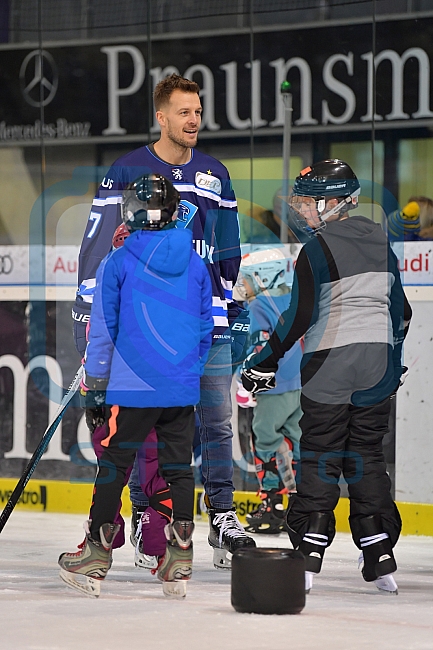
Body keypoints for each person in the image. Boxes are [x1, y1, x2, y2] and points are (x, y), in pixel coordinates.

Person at [72, 73, 255, 571]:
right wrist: (88, 318)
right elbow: (98, 249)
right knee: (143, 430)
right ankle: (145, 516)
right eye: (183, 112)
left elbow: (228, 250)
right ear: (161, 116)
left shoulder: (214, 174)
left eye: (197, 111)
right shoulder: (127, 168)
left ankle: (220, 515)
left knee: (214, 424)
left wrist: (224, 299)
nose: (193, 119)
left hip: (204, 320)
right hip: (143, 327)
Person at [241, 160, 412, 595]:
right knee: (368, 456)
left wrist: (264, 361)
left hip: (329, 365)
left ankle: (311, 552)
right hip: (377, 368)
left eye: (308, 202)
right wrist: (391, 362)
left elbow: (296, 317)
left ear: (334, 201)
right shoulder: (380, 239)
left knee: (320, 456)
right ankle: (379, 553)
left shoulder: (314, 250)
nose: (303, 211)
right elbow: (402, 312)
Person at [59, 173, 214, 598]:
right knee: (179, 467)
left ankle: (95, 553)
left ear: (130, 213)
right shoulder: (197, 263)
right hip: (180, 387)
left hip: (132, 386)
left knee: (114, 463)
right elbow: (205, 328)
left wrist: (96, 386)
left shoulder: (119, 262)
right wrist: (185, 369)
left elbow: (104, 332)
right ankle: (179, 557)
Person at [236, 248, 303, 534]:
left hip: (272, 386)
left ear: (263, 277)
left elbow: (258, 347)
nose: (244, 285)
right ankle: (296, 507)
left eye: (247, 279)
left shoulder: (259, 306)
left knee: (264, 441)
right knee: (293, 439)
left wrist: (245, 377)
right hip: (300, 383)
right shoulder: (295, 299)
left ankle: (272, 505)